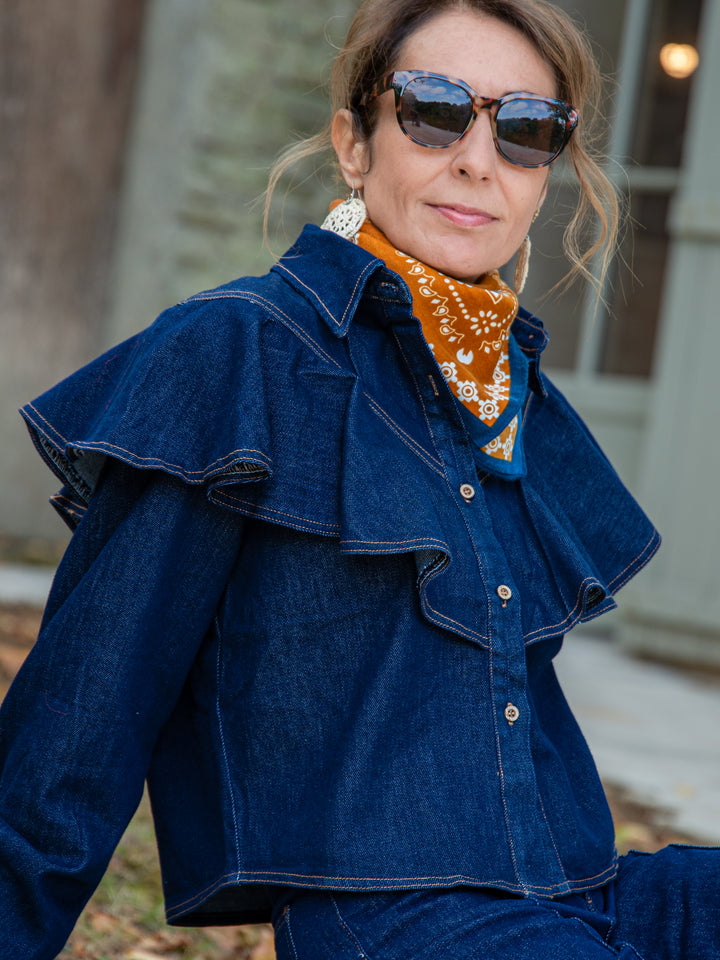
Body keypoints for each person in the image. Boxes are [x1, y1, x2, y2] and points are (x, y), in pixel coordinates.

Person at [1, 0, 718, 957]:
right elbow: (79, 725)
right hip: (402, 920)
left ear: (546, 175)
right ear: (353, 142)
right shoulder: (237, 355)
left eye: (525, 131)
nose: (477, 159)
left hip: (578, 893)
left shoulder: (505, 390)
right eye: (434, 111)